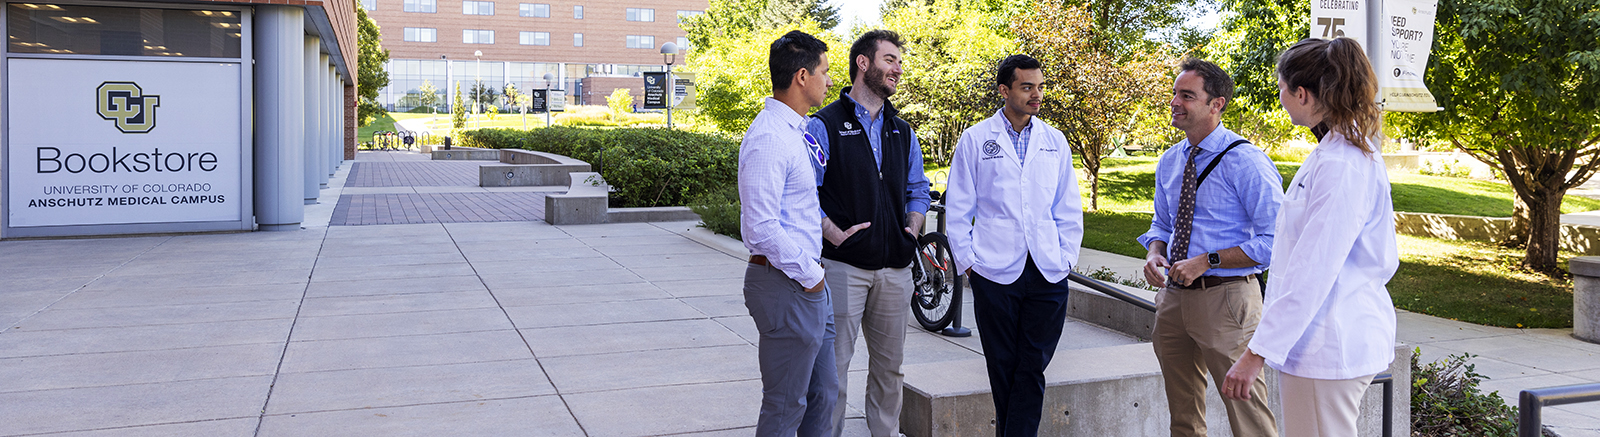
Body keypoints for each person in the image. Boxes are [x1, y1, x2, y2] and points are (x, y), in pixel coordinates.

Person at [1222, 37, 1399, 437]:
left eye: (1282, 88)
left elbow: (1312, 270)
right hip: (1321, 338)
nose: (1281, 98)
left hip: (1327, 339)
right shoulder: (1339, 152)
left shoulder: (1342, 165)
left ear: (1301, 94)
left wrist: (1255, 354)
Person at [1138, 58, 1282, 437]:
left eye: (1187, 96)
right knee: (1183, 417)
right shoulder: (1170, 161)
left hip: (1228, 301)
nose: (1175, 102)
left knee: (1248, 416)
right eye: (1174, 93)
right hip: (1173, 302)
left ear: (1216, 104)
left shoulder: (1247, 161)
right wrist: (1155, 253)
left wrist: (1208, 260)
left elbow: (1277, 240)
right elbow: (1163, 226)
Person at [944, 54, 1083, 436]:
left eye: (1040, 86)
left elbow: (1067, 206)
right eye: (1027, 87)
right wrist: (969, 263)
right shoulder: (975, 139)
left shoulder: (1054, 141)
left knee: (1032, 364)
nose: (1037, 94)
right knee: (1002, 364)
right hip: (994, 270)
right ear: (1004, 90)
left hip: (1047, 272)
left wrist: (1067, 256)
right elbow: (958, 208)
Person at [805, 29, 930, 437]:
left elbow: (918, 190)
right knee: (833, 369)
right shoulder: (823, 125)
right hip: (843, 267)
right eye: (890, 59)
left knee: (890, 368)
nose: (898, 68)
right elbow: (806, 192)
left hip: (895, 268)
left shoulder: (903, 131)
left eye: (898, 61)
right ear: (864, 63)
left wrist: (911, 228)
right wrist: (833, 233)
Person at [738, 29, 838, 437]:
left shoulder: (795, 131)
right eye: (825, 72)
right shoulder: (768, 138)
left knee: (824, 394)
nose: (830, 80)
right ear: (801, 76)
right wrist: (811, 277)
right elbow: (760, 228)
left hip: (806, 280)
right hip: (787, 282)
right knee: (785, 407)